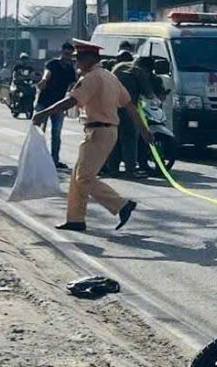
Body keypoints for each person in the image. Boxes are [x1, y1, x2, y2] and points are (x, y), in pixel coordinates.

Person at [32, 39, 152, 232]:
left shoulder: (91, 78)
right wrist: (144, 130)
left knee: (85, 178)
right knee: (77, 177)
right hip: (103, 130)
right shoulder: (109, 76)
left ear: (90, 58)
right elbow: (130, 105)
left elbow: (71, 100)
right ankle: (76, 219)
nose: (76, 62)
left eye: (79, 58)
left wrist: (44, 112)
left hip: (99, 131)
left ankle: (121, 204)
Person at [104, 56, 157, 178]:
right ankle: (130, 170)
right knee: (130, 138)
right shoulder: (139, 72)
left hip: (110, 108)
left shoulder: (119, 67)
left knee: (115, 139)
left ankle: (113, 169)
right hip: (128, 109)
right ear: (147, 68)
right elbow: (149, 94)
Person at [36, 43, 77, 169]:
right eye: (66, 54)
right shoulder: (52, 63)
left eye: (70, 55)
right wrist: (44, 80)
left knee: (56, 133)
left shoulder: (70, 69)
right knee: (39, 132)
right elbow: (47, 73)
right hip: (44, 103)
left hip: (59, 105)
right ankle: (37, 158)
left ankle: (54, 160)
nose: (67, 57)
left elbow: (73, 84)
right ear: (61, 53)